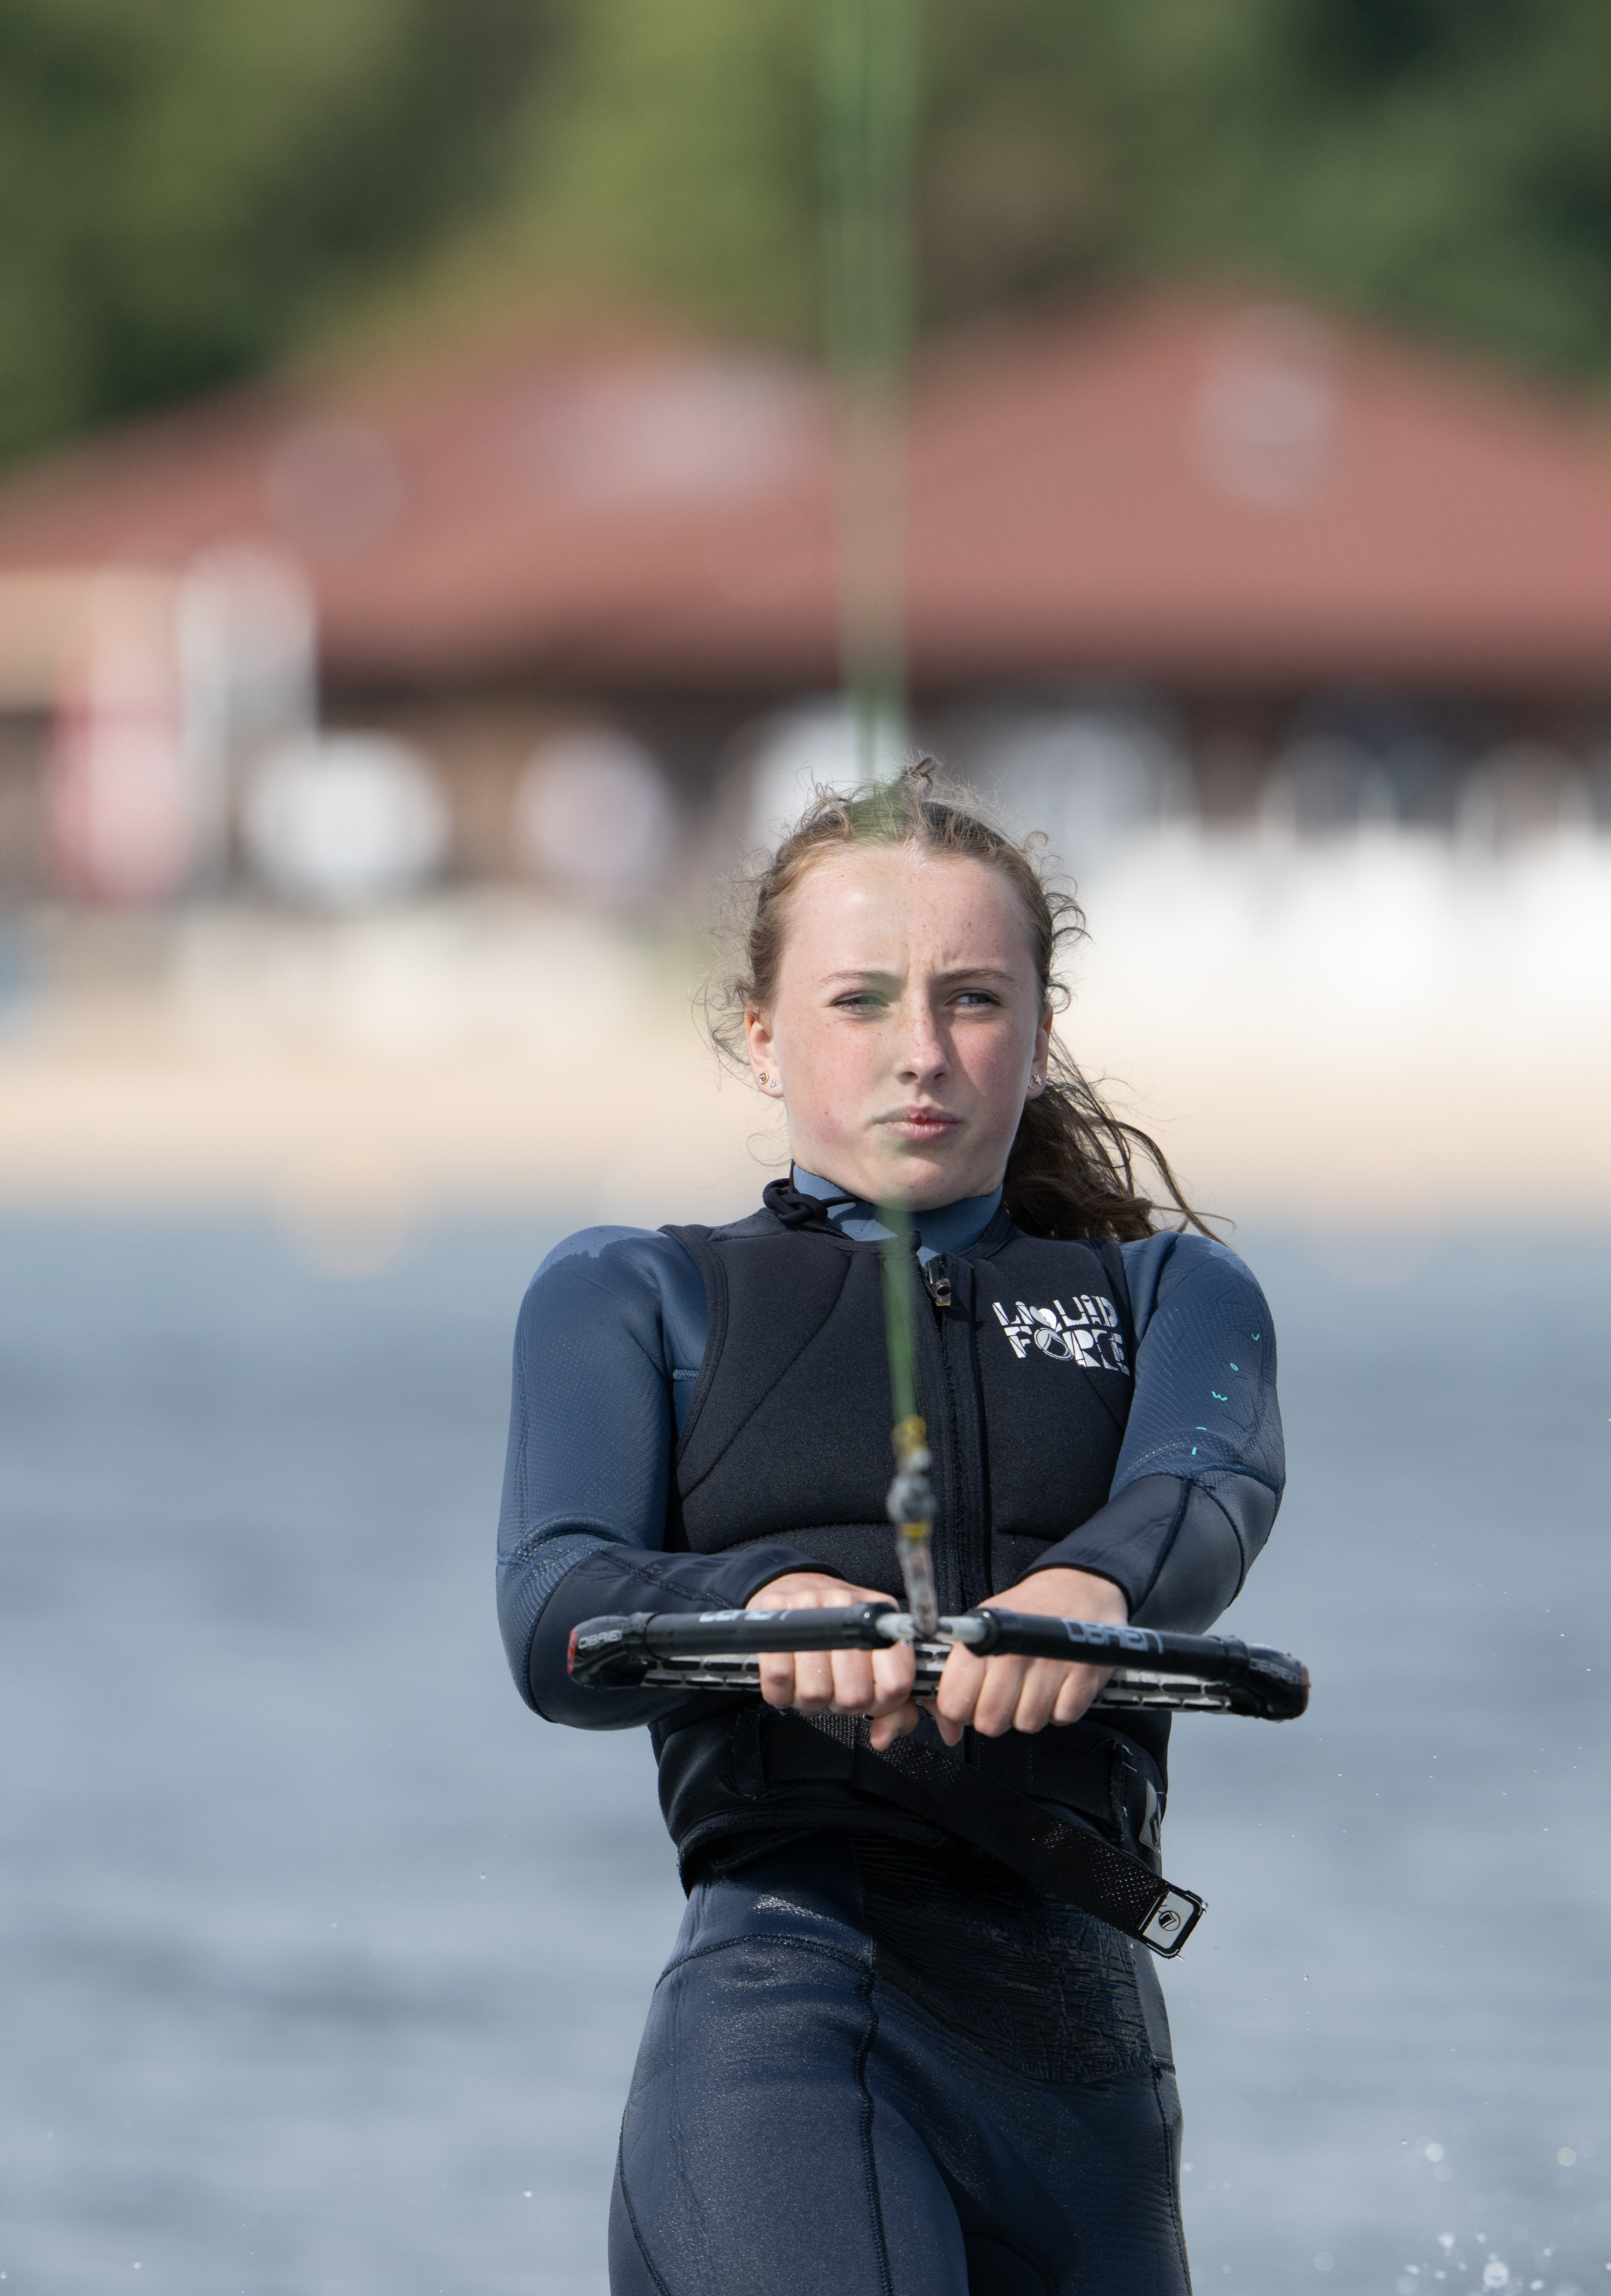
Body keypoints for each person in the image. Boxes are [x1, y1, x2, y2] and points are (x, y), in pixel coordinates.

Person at [495, 766, 1286, 2296]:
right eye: (860, 1000)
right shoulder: (632, 1297)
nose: (921, 1054)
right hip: (794, 2026)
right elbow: (556, 1614)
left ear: (1042, 1034)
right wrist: (765, 1603)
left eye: (974, 1000)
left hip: (1090, 2067)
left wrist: (1086, 1591)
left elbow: (1212, 1494)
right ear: (762, 1031)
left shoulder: (1173, 1299)